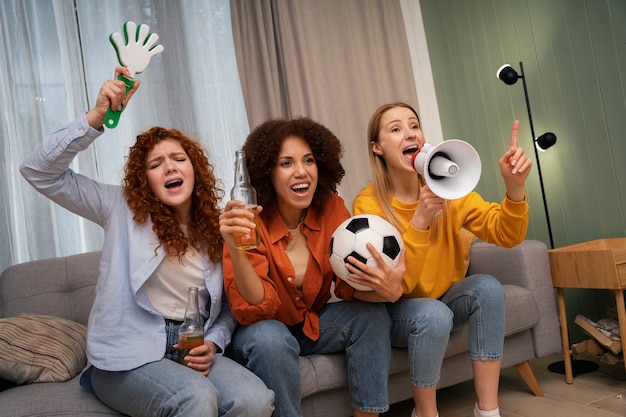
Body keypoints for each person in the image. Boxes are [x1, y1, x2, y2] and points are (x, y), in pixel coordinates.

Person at [20, 66, 274, 417]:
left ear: (194, 169)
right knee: (195, 398)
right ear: (145, 180)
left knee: (255, 400)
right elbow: (38, 170)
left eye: (178, 159)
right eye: (156, 164)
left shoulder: (215, 225)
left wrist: (214, 342)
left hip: (190, 345)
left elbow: (228, 307)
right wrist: (95, 118)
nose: (170, 167)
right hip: (124, 358)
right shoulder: (120, 207)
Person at [350, 102, 531, 417]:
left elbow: (507, 235)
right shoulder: (369, 204)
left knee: (487, 287)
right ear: (377, 148)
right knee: (432, 314)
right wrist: (420, 220)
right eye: (396, 129)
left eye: (414, 125)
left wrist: (514, 187)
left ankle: (488, 411)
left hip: (443, 299)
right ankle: (425, 413)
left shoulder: (448, 188)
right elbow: (400, 284)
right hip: (396, 312)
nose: (410, 133)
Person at [219, 117, 397, 417]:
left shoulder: (331, 208)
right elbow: (255, 307)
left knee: (371, 316)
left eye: (309, 160)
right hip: (260, 333)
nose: (301, 171)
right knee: (271, 337)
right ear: (267, 173)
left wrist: (389, 290)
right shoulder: (248, 221)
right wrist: (236, 251)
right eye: (286, 163)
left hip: (308, 324)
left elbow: (347, 286)